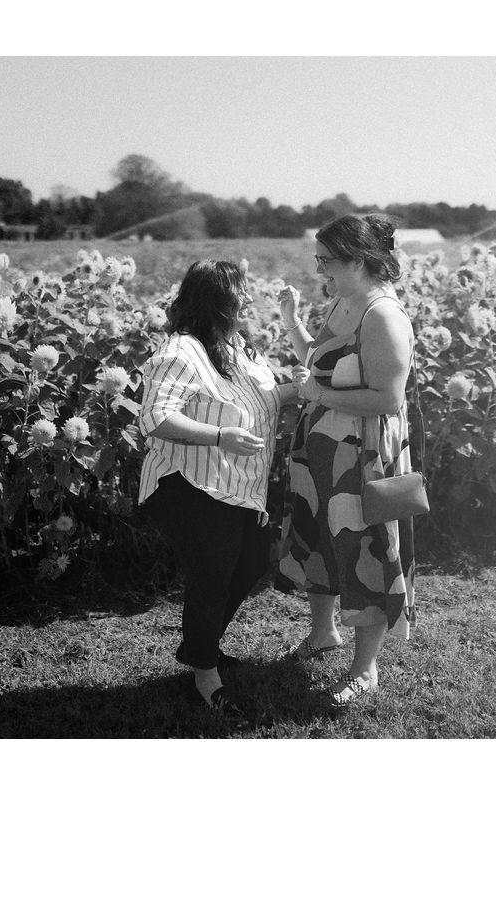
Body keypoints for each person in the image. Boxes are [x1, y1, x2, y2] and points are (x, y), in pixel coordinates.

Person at [138, 259, 299, 718]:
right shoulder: (182, 350)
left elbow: (261, 400)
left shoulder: (237, 347)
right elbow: (155, 417)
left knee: (251, 562)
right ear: (219, 300)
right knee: (211, 578)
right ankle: (205, 678)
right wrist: (219, 436)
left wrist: (295, 390)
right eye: (240, 293)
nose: (248, 300)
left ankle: (199, 647)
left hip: (237, 485)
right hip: (192, 485)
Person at [277, 213, 417, 708]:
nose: (320, 271)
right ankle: (323, 633)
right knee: (319, 536)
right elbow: (321, 363)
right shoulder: (343, 302)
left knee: (363, 549)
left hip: (362, 453)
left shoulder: (382, 316)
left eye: (327, 261)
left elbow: (388, 399)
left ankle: (365, 670)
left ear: (358, 260)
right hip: (323, 445)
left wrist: (318, 396)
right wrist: (292, 321)